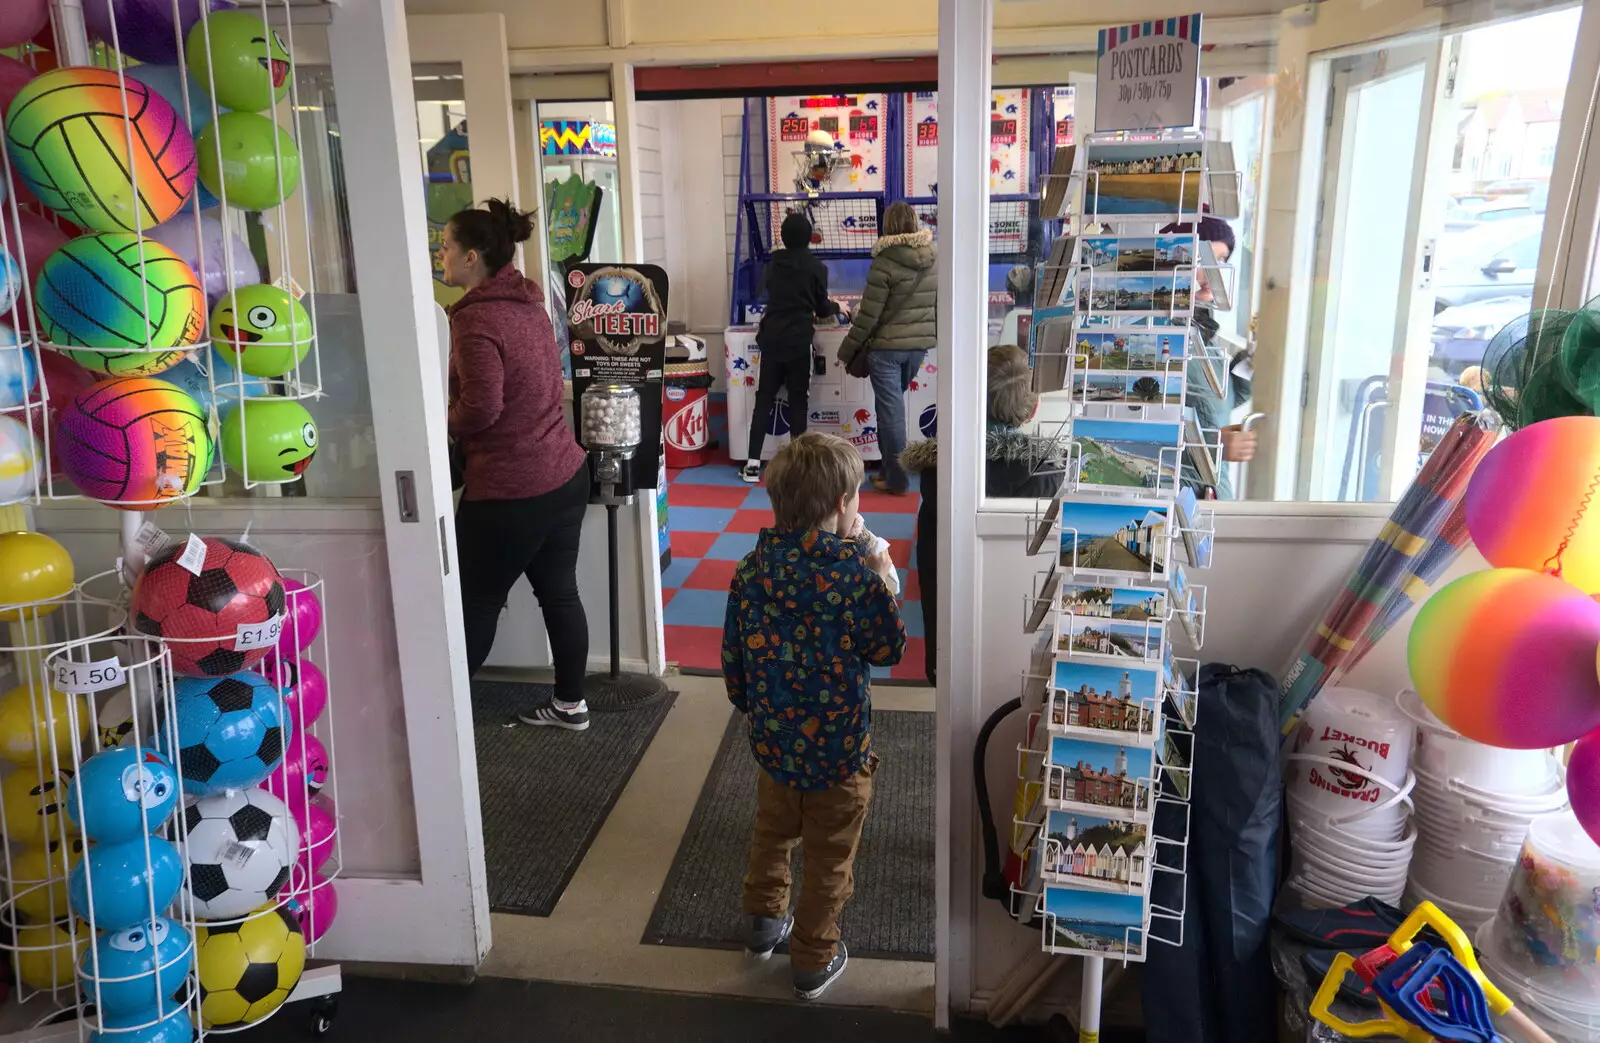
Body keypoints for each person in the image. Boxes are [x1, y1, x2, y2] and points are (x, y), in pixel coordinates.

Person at [722, 432, 906, 1000]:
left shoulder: (752, 569)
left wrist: (757, 709)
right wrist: (881, 580)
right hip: (839, 754)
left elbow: (734, 658)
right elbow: (888, 650)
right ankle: (812, 957)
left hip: (774, 745)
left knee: (772, 835)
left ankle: (761, 925)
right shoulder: (856, 580)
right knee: (830, 859)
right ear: (844, 505)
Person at [441, 197, 593, 731]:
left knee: (475, 602)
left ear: (472, 257)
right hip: (564, 474)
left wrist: (440, 423)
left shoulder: (477, 319)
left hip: (512, 490)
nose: (442, 257)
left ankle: (447, 724)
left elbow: (482, 407)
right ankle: (571, 705)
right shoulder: (530, 301)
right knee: (560, 594)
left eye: (446, 247)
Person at [901, 345, 1064, 683]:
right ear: (1032, 409)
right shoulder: (1047, 474)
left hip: (948, 653)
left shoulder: (940, 471)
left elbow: (932, 580)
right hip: (1020, 649)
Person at [838, 201, 937, 494]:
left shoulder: (884, 261)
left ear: (888, 226)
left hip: (886, 352)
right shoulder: (934, 258)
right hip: (918, 348)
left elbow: (869, 316)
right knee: (890, 410)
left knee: (890, 414)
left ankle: (897, 479)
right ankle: (888, 470)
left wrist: (846, 350)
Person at [743, 212, 843, 484]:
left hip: (772, 339)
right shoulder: (817, 268)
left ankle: (752, 464)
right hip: (799, 341)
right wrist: (838, 308)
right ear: (809, 237)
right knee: (798, 401)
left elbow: (764, 294)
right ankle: (798, 466)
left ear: (783, 238)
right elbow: (822, 308)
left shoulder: (771, 266)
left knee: (764, 399)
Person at [1178, 214, 1256, 498]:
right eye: (1207, 261)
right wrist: (1215, 443)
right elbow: (1137, 424)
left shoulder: (1201, 326)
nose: (1217, 272)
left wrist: (1252, 363)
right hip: (1174, 499)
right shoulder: (1162, 330)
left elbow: (1224, 395)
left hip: (1210, 500)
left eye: (1222, 262)